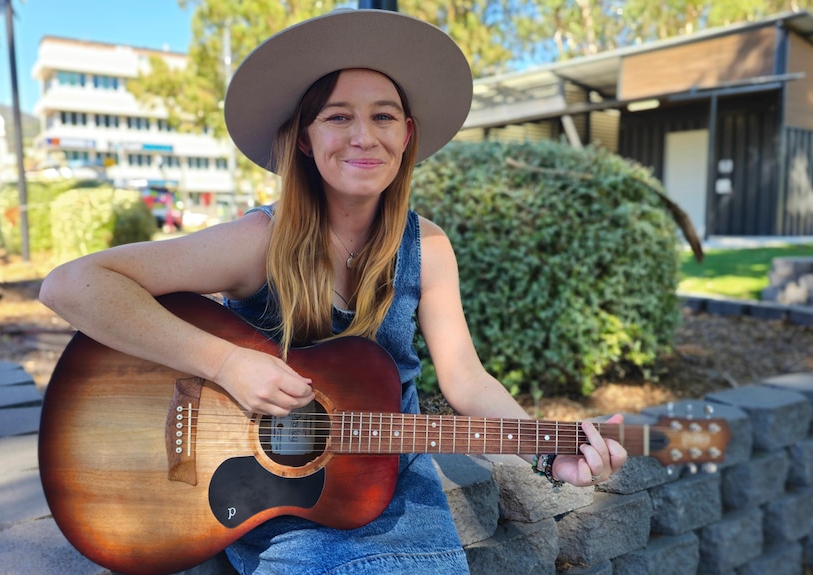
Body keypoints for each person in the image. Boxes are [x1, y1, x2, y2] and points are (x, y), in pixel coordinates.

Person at [39, 8, 627, 574]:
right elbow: (73, 285)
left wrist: (548, 451)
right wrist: (225, 362)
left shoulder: (430, 249)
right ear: (304, 137)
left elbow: (466, 380)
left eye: (384, 116)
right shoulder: (258, 242)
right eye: (338, 116)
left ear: (408, 134)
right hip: (271, 490)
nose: (363, 137)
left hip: (392, 488)